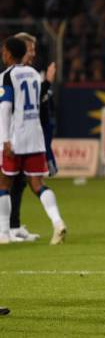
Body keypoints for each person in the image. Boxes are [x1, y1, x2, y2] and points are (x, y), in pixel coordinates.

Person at [0, 37, 67, 245]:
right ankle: (57, 222)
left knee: (3, 183)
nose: (3, 54)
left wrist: (5, 140)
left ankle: (3, 232)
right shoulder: (34, 75)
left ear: (10, 54)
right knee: (37, 184)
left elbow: (5, 108)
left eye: (4, 51)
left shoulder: (6, 76)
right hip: (35, 138)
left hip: (16, 137)